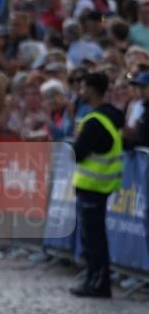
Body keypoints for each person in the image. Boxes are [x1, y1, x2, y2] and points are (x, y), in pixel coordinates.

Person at [70, 71, 124, 299]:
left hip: (93, 186)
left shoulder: (94, 122)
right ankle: (94, 279)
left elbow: (77, 153)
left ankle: (99, 283)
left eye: (83, 87)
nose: (80, 92)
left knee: (93, 239)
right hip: (99, 186)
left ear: (91, 90)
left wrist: (76, 140)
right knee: (93, 237)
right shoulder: (110, 116)